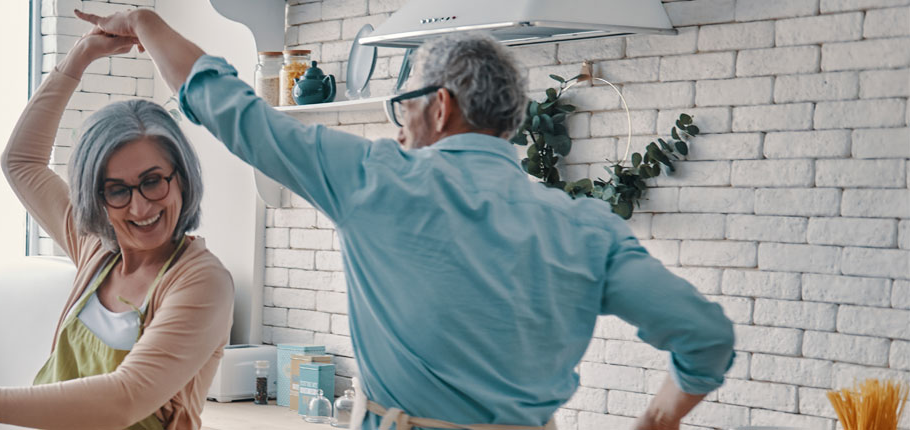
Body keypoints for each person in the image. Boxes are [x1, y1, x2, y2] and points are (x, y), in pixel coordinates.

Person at [75, 8, 736, 430]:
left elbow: (233, 111)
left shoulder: (374, 179)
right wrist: (659, 419)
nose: (398, 126)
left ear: (440, 107)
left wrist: (145, 24)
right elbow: (707, 337)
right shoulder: (588, 229)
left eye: (405, 105)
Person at [0, 28, 234, 430]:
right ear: (97, 198)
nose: (140, 206)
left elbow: (126, 398)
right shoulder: (97, 249)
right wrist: (80, 56)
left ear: (181, 178)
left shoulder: (201, 281)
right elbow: (20, 161)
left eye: (153, 180)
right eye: (117, 190)